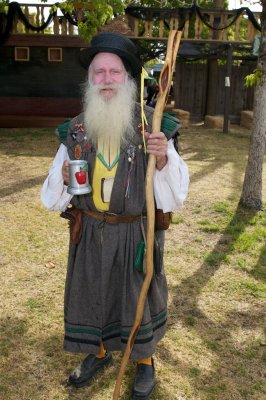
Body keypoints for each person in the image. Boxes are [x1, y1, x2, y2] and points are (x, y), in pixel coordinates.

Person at [41, 31, 189, 400]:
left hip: (135, 233)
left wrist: (163, 158)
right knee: (95, 295)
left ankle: (144, 363)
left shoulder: (154, 128)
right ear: (90, 80)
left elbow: (175, 196)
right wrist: (61, 179)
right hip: (89, 232)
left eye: (114, 72)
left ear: (129, 79)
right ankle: (101, 352)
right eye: (98, 72)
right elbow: (50, 198)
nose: (106, 80)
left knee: (138, 297)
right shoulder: (75, 129)